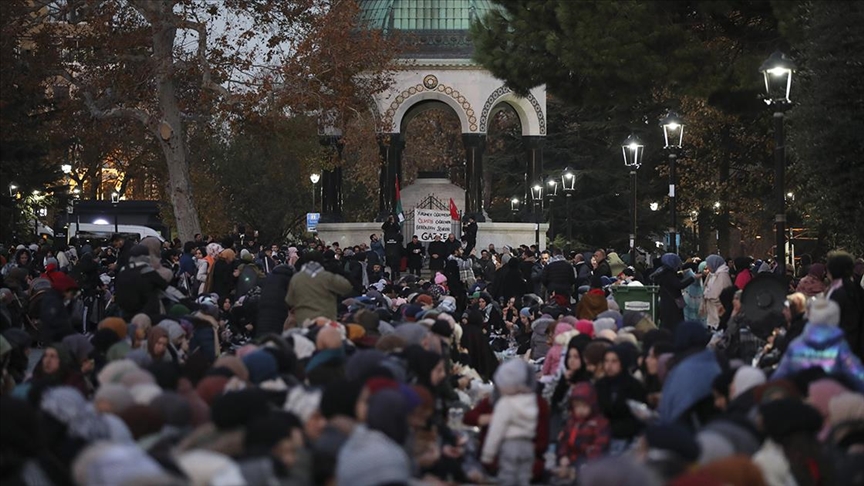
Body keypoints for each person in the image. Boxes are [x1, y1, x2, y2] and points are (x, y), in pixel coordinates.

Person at [481, 359, 538, 486]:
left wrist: (487, 455)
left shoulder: (505, 404)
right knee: (524, 477)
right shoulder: (530, 400)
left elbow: (496, 430)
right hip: (528, 445)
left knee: (508, 477)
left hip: (510, 446)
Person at [555, 382, 610, 481]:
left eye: (584, 406)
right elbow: (564, 440)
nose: (580, 410)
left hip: (588, 463)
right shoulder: (572, 422)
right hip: (570, 460)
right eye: (577, 406)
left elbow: (600, 446)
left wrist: (585, 462)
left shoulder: (599, 423)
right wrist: (563, 455)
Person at [285, 251, 352, 326]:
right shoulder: (327, 277)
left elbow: (290, 300)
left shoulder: (296, 278)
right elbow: (347, 287)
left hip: (304, 321)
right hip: (326, 319)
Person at [650, 253, 694, 332]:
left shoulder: (663, 272)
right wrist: (692, 278)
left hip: (667, 301)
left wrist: (681, 274)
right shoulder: (668, 274)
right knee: (674, 323)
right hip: (672, 303)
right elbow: (679, 285)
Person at [703, 254, 732, 330]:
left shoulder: (723, 276)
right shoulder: (712, 275)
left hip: (719, 311)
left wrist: (708, 295)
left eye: (708, 264)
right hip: (712, 311)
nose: (707, 266)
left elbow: (721, 294)